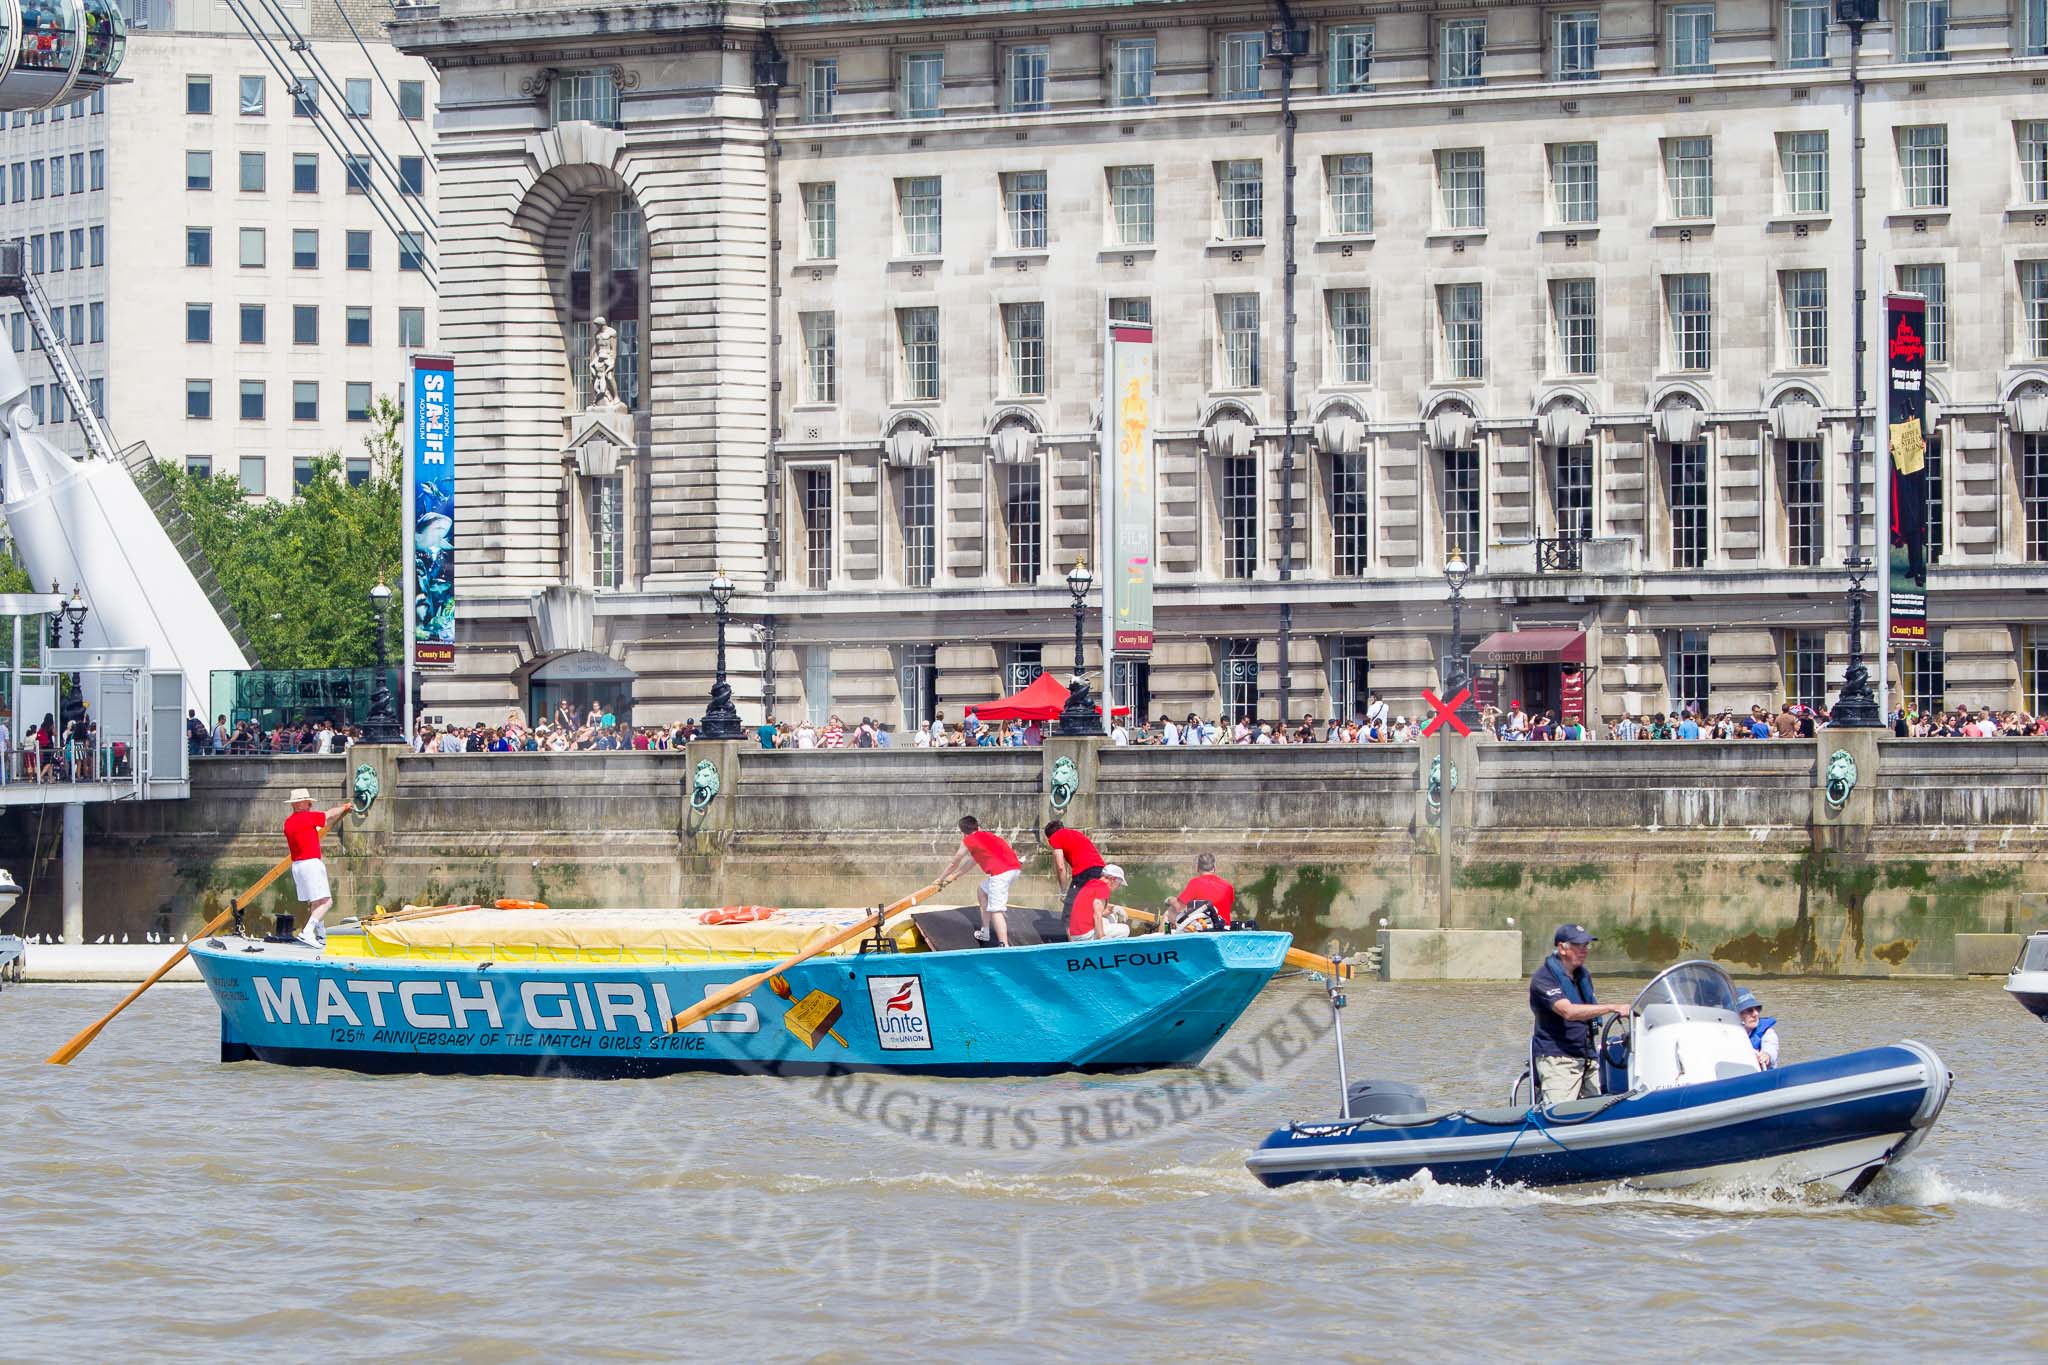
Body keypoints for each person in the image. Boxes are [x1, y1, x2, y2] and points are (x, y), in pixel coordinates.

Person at [1529, 923, 1624, 1105]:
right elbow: (1569, 1011)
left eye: (1586, 946)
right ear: (1562, 948)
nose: (1584, 950)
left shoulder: (1582, 976)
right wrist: (1613, 1007)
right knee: (1559, 1116)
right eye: (1578, 946)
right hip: (1559, 1060)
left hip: (1588, 1057)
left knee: (1599, 1112)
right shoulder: (1544, 979)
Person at [937, 816, 1023, 946]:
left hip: (1000, 873)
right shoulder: (986, 836)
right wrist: (955, 876)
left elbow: (954, 862)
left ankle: (1004, 946)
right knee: (982, 890)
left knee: (996, 910)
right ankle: (985, 931)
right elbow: (972, 862)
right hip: (1014, 869)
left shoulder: (968, 840)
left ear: (962, 832)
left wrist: (940, 879)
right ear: (978, 827)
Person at [284, 786, 352, 948]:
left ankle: (321, 936)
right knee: (327, 902)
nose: (310, 806)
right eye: (308, 803)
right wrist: (345, 807)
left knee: (316, 902)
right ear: (299, 804)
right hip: (311, 864)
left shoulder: (288, 823)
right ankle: (307, 932)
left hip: (297, 866)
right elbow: (329, 814)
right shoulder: (308, 818)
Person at [1044, 819, 1106, 926]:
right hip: (1101, 870)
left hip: (1085, 872)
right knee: (1091, 907)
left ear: (1049, 836)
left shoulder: (1055, 837)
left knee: (1069, 916)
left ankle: (1073, 941)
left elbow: (1060, 867)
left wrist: (1063, 892)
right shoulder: (1076, 834)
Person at [1165, 851, 1236, 931]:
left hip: (1203, 927)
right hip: (1225, 928)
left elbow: (1178, 907)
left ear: (1198, 868)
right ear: (1214, 868)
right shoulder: (1228, 886)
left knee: (1169, 913)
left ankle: (1159, 941)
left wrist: (1169, 900)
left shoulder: (1194, 883)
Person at [1069, 863, 1130, 942]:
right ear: (1113, 879)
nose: (1118, 887)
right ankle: (1106, 950)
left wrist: (1114, 908)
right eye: (1119, 884)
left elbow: (1096, 910)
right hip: (1084, 935)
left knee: (1111, 916)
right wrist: (1102, 938)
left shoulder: (1092, 883)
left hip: (1076, 934)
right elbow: (1097, 915)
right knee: (1125, 929)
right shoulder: (1103, 888)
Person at [1736, 988, 1780, 1069]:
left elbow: (1771, 1048)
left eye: (1757, 1009)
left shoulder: (1768, 1033)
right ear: (1736, 1014)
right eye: (1750, 1010)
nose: (1756, 1013)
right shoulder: (1725, 1033)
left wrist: (1767, 1056)